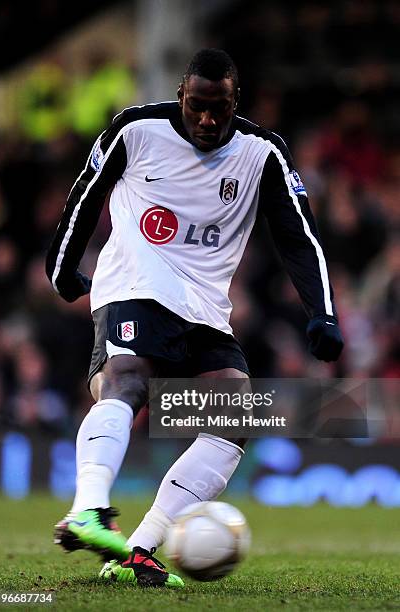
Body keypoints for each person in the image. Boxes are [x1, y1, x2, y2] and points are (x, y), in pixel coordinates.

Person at [46, 49, 344, 588]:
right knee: (129, 382)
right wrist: (62, 268)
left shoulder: (262, 152)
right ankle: (89, 508)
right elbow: (85, 197)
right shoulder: (136, 129)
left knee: (234, 416)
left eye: (220, 109)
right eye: (198, 107)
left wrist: (322, 313)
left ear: (236, 103)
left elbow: (298, 235)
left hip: (205, 306)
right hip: (135, 283)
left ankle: (140, 545)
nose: (208, 120)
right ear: (182, 96)